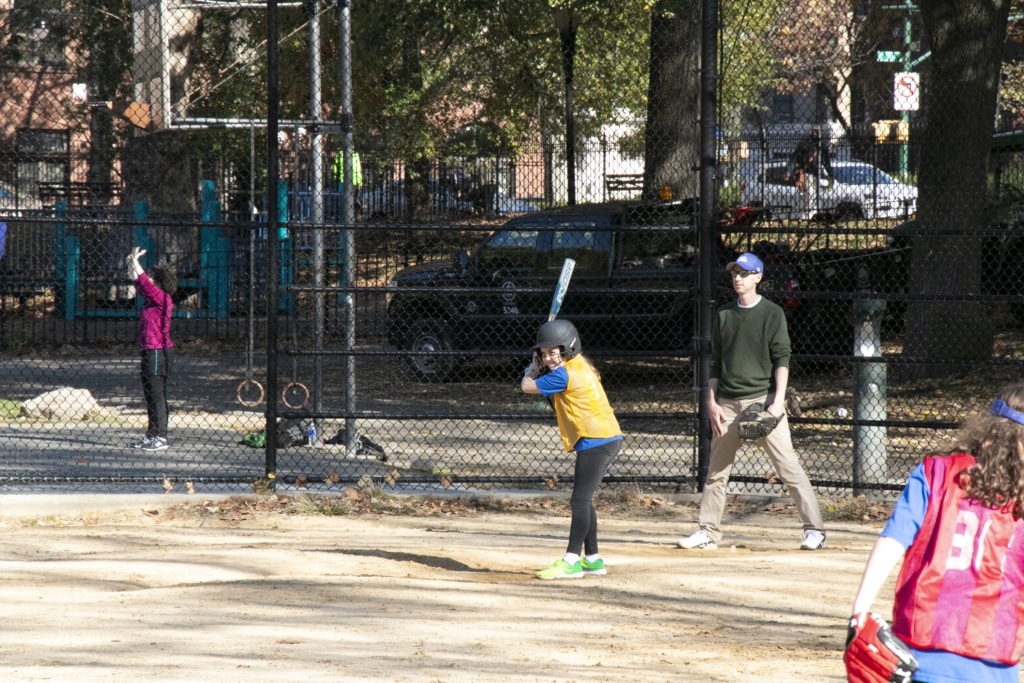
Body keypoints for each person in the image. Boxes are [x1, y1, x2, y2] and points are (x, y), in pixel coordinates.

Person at [848, 382, 1024, 683]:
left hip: (922, 649)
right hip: (994, 657)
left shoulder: (936, 472)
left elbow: (893, 539)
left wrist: (859, 612)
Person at [678, 252, 826, 551]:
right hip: (728, 404)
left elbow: (782, 358)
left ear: (758, 277)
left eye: (744, 273)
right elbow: (716, 362)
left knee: (788, 468)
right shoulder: (724, 315)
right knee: (716, 472)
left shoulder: (772, 313)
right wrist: (712, 401)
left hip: (763, 403)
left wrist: (778, 401)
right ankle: (708, 531)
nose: (737, 278)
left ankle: (815, 530)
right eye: (734, 273)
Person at [520, 319, 623, 580]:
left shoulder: (565, 374)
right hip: (604, 437)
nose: (549, 358)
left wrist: (531, 369)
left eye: (554, 352)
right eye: (544, 354)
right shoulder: (579, 364)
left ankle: (570, 561)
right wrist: (542, 363)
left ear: (569, 348)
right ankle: (593, 559)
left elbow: (527, 387)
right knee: (584, 500)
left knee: (579, 500)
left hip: (596, 440)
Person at [126, 247, 175, 452]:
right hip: (148, 351)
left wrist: (136, 263)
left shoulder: (161, 298)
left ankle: (161, 436)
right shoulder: (150, 299)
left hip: (158, 352)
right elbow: (137, 281)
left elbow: (143, 281)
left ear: (159, 282)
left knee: (156, 394)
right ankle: (151, 434)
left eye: (152, 277)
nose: (148, 280)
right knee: (149, 393)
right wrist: (130, 262)